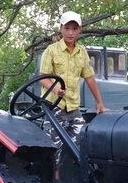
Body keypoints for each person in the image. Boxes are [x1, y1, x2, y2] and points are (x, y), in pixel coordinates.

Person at [38, 11, 108, 171]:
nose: (70, 32)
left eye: (74, 28)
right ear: (61, 28)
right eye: (67, 28)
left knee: (82, 142)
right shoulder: (51, 50)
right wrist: (55, 89)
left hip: (73, 107)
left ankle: (78, 181)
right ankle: (53, 181)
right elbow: (43, 77)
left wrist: (99, 103)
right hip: (53, 106)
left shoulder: (82, 52)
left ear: (79, 30)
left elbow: (89, 77)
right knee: (54, 147)